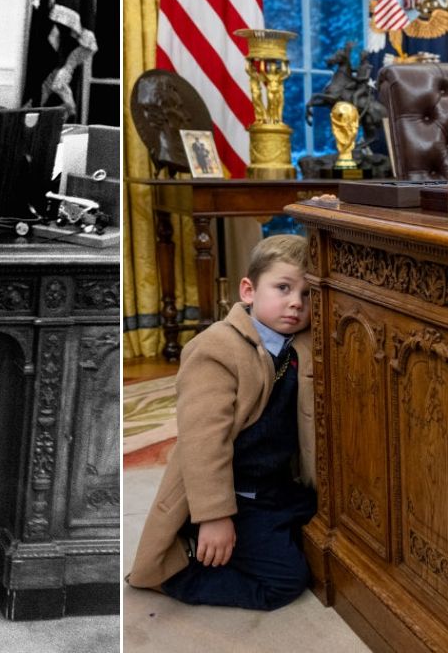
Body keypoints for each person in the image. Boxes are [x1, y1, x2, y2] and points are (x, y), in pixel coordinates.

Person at [128, 235, 316, 610]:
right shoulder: (216, 349)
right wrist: (215, 516)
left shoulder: (300, 342)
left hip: (275, 484)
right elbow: (203, 443)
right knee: (286, 580)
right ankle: (181, 572)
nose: (296, 303)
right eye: (283, 288)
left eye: (308, 294)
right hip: (235, 494)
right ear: (248, 290)